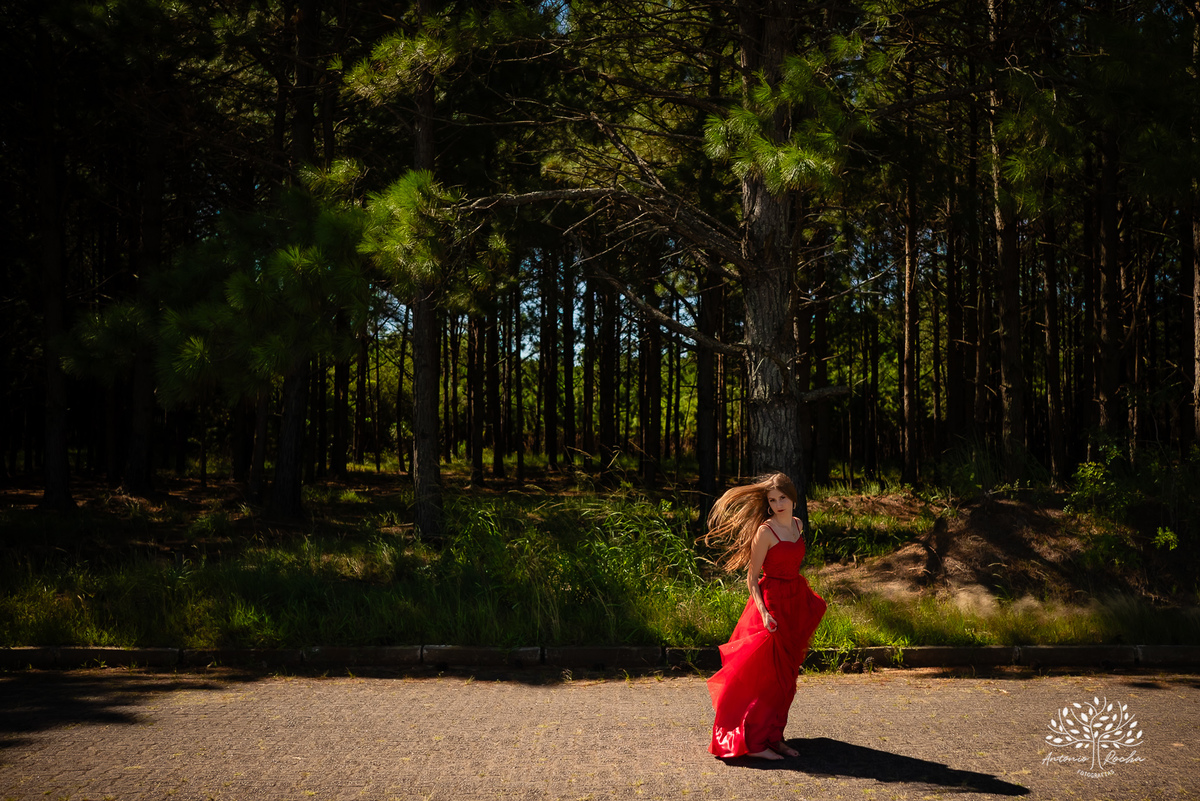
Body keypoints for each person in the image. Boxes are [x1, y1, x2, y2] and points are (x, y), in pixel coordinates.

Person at [704, 472, 827, 759]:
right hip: (771, 604)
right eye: (772, 500)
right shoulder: (765, 532)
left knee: (787, 679)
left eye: (782, 498)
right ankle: (756, 743)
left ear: (793, 497)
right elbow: (752, 577)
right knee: (769, 678)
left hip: (794, 601)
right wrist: (764, 613)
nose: (778, 504)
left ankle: (775, 737)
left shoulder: (798, 525)